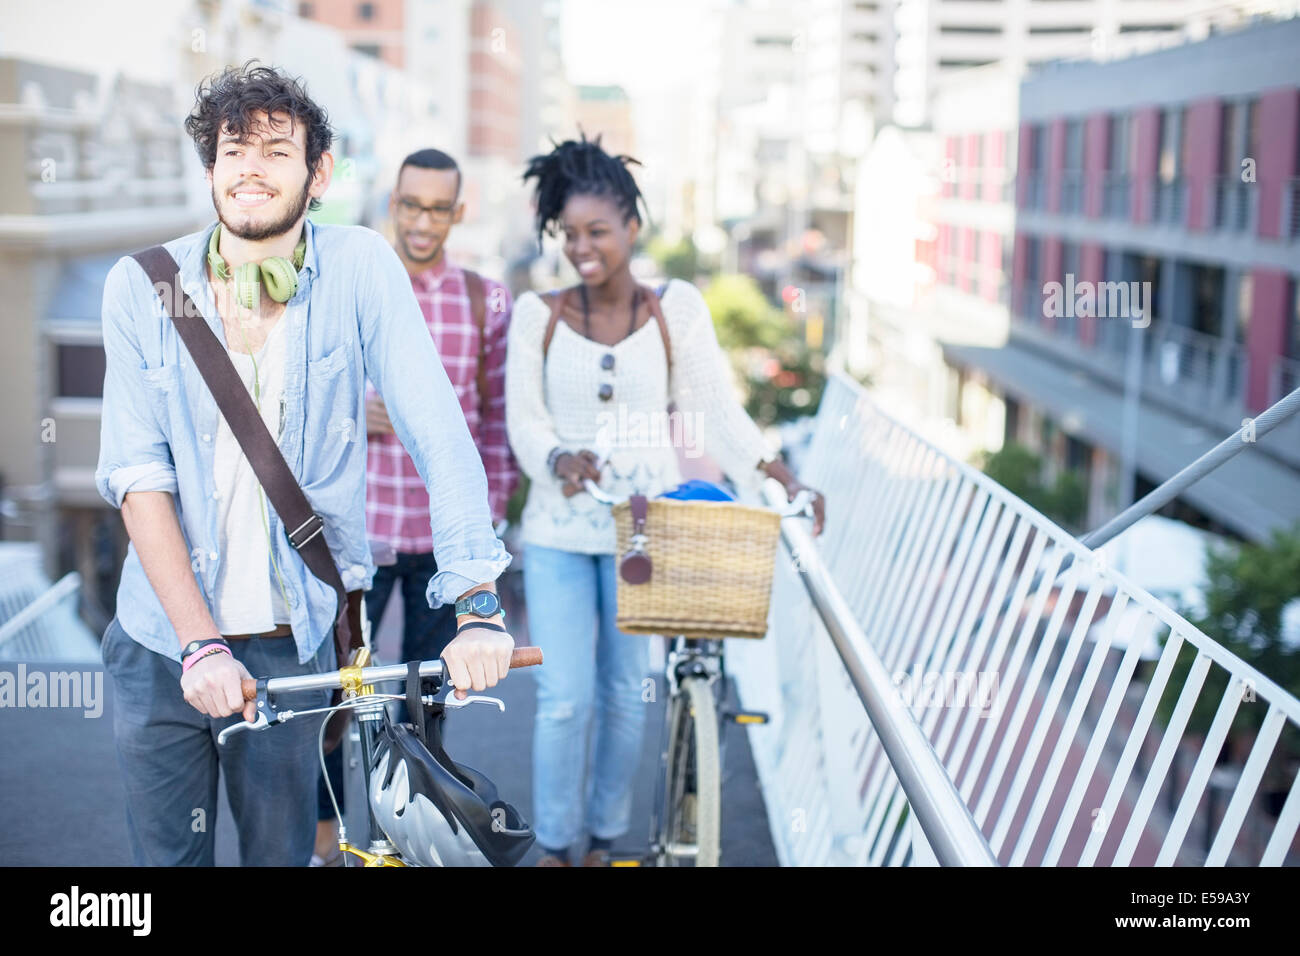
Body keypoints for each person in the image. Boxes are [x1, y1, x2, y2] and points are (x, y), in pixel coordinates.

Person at [94, 61, 515, 867]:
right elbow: (138, 477)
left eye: (276, 150)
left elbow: (440, 432)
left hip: (291, 645)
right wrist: (198, 645)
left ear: (318, 171)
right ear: (211, 167)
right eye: (232, 149)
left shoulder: (359, 266)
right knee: (166, 866)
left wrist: (476, 598)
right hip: (162, 643)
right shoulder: (144, 285)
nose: (250, 167)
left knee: (279, 860)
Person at [507, 134, 826, 867]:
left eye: (599, 231)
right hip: (558, 529)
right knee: (564, 698)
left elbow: (714, 408)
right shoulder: (537, 314)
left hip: (643, 533)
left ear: (631, 229)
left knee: (625, 694)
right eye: (570, 233)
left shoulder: (675, 308)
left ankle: (602, 841)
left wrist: (780, 472)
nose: (583, 247)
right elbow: (525, 422)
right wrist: (557, 456)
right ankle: (554, 845)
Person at [312, 148, 519, 865]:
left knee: (425, 703)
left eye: (439, 208)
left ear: (458, 213)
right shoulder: (344, 286)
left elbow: (494, 424)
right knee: (338, 696)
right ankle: (325, 841)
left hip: (437, 541)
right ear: (391, 205)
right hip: (356, 535)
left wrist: (483, 522)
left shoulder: (482, 301)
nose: (423, 220)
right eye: (411, 205)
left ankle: (409, 832)